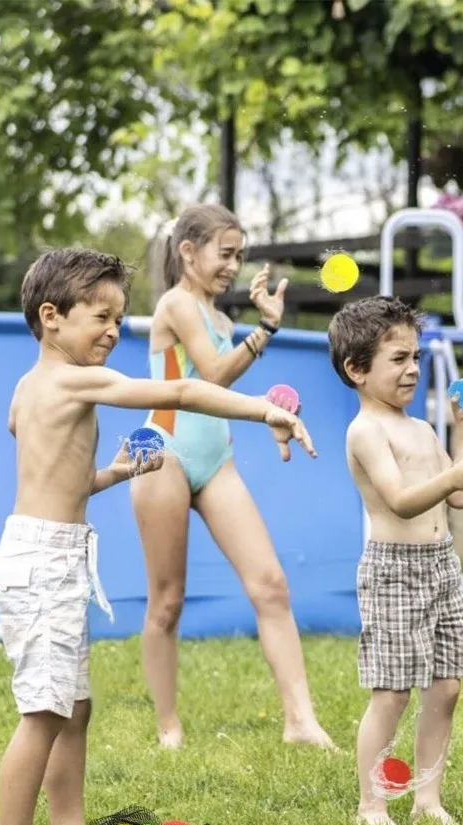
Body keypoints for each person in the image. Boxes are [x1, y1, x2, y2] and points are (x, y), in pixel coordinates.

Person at [0, 247, 314, 825]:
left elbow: (57, 476)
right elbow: (184, 388)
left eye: (119, 318)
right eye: (101, 317)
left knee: (74, 705)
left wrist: (112, 472)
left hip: (46, 552)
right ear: (52, 317)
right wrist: (265, 408)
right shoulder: (71, 378)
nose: (114, 330)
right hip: (42, 561)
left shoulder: (29, 389)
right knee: (44, 710)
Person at [130, 204, 338, 751]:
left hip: (215, 459)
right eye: (226, 254)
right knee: (167, 601)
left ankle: (301, 722)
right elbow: (214, 376)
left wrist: (259, 327)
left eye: (239, 256)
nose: (234, 266)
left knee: (270, 585)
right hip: (164, 454)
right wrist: (267, 327)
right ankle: (168, 725)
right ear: (188, 252)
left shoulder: (219, 316)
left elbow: (220, 385)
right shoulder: (175, 304)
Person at [329, 296, 463, 825]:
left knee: (446, 688)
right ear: (357, 370)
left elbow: (460, 498)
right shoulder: (365, 431)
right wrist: (452, 478)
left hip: (440, 566)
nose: (413, 369)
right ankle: (372, 807)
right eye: (397, 359)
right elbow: (401, 499)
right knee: (393, 692)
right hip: (394, 571)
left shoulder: (423, 430)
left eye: (415, 357)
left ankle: (428, 800)